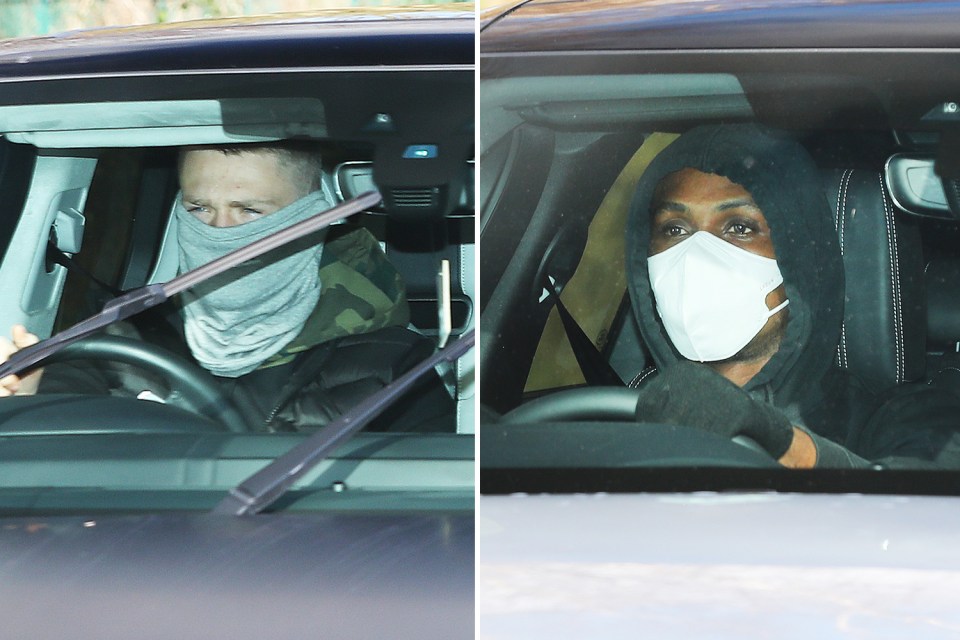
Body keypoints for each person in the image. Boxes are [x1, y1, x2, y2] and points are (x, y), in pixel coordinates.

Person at [0, 141, 453, 432]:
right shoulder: (122, 335)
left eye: (250, 212)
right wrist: (34, 400)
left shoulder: (391, 363)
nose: (220, 232)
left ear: (310, 217)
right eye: (198, 209)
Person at [624, 123, 960, 468]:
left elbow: (927, 496)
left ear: (799, 258)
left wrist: (784, 446)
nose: (695, 256)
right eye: (674, 229)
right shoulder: (618, 410)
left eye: (739, 228)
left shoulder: (899, 416)